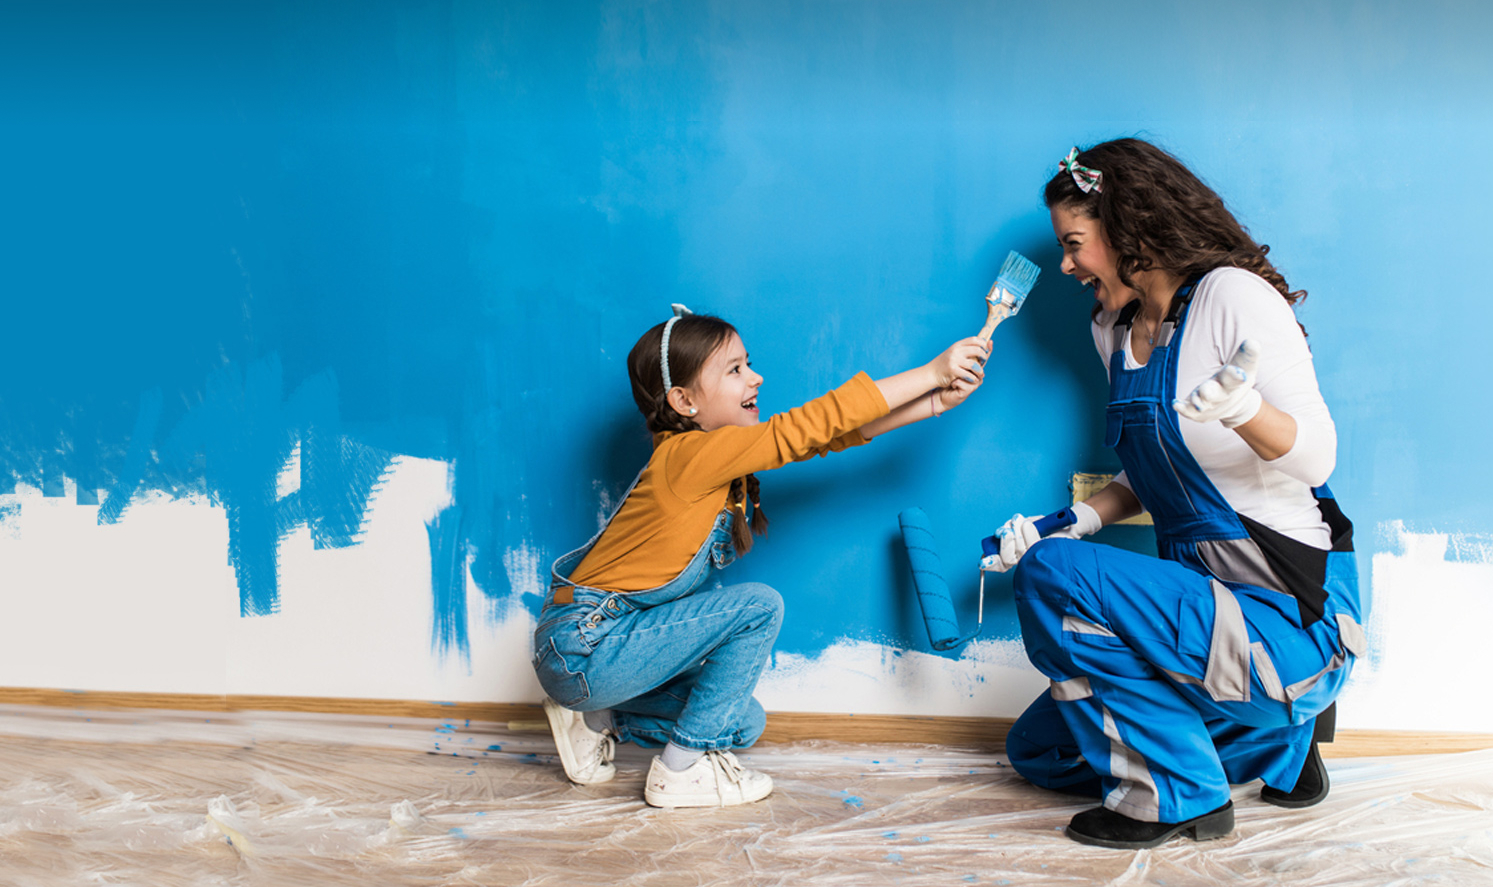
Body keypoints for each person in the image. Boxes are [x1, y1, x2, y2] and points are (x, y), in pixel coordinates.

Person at [984, 139, 1366, 848]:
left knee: (1050, 581)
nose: (1066, 265)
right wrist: (1067, 524)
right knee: (1040, 749)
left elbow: (1318, 458)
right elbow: (1156, 475)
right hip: (1203, 617)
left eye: (1075, 244)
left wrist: (1242, 409)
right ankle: (1280, 747)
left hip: (1287, 621)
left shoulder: (1230, 297)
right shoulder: (1115, 330)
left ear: (1129, 230)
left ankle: (1182, 796)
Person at [537, 304, 992, 808]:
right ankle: (679, 772)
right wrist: (930, 372)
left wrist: (933, 404)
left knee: (741, 720)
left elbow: (830, 438)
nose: (755, 377)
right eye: (734, 370)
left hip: (596, 653)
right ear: (684, 400)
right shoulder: (687, 457)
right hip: (584, 647)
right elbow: (807, 428)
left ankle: (597, 719)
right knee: (759, 605)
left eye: (747, 363)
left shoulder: (713, 459)